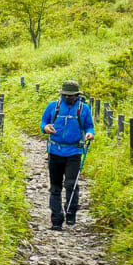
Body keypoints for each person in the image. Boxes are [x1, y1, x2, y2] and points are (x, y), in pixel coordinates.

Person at [40, 80, 94, 230]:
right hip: (55, 151)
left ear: (77, 95)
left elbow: (89, 125)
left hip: (74, 152)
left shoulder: (84, 109)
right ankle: (56, 220)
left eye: (71, 96)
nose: (68, 98)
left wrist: (90, 134)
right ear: (62, 94)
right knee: (55, 187)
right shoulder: (53, 106)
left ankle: (71, 212)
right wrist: (45, 128)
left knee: (71, 183)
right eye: (66, 95)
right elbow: (43, 122)